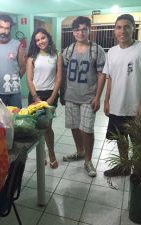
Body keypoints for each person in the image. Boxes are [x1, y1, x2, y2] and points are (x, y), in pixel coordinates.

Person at [103, 14, 141, 177]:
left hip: (136, 106)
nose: (122, 31)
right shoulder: (111, 52)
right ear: (114, 31)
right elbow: (110, 77)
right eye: (118, 27)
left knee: (138, 140)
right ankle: (124, 166)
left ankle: (139, 170)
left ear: (133, 28)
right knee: (121, 139)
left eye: (127, 26)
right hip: (117, 105)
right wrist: (106, 100)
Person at [62, 16, 106, 177]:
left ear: (89, 30)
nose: (80, 32)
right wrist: (62, 94)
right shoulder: (68, 50)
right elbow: (63, 74)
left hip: (88, 97)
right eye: (77, 29)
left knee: (87, 129)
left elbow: (102, 75)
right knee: (74, 126)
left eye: (84, 29)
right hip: (71, 96)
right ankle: (80, 152)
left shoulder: (97, 50)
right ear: (73, 32)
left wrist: (97, 97)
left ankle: (88, 160)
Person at [26, 28, 62, 169]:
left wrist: (52, 97)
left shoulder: (57, 55)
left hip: (50, 94)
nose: (41, 41)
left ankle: (51, 154)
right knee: (37, 128)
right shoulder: (31, 57)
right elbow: (29, 79)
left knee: (47, 127)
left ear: (48, 38)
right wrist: (35, 97)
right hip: (35, 95)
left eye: (43, 38)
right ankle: (41, 155)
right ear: (35, 42)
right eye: (37, 40)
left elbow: (59, 78)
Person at [0, 14, 26, 108]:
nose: (4, 31)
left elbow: (23, 67)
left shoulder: (17, 45)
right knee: (0, 119)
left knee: (16, 119)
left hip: (14, 91)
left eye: (7, 28)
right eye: (1, 27)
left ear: (10, 29)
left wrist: (14, 79)